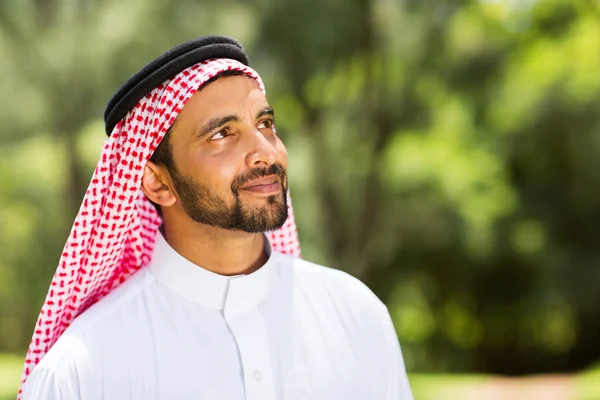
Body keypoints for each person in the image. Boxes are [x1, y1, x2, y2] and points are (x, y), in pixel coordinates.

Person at [19, 36, 413, 400]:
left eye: (266, 124)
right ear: (157, 182)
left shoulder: (356, 318)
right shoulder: (82, 372)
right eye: (222, 134)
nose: (265, 151)